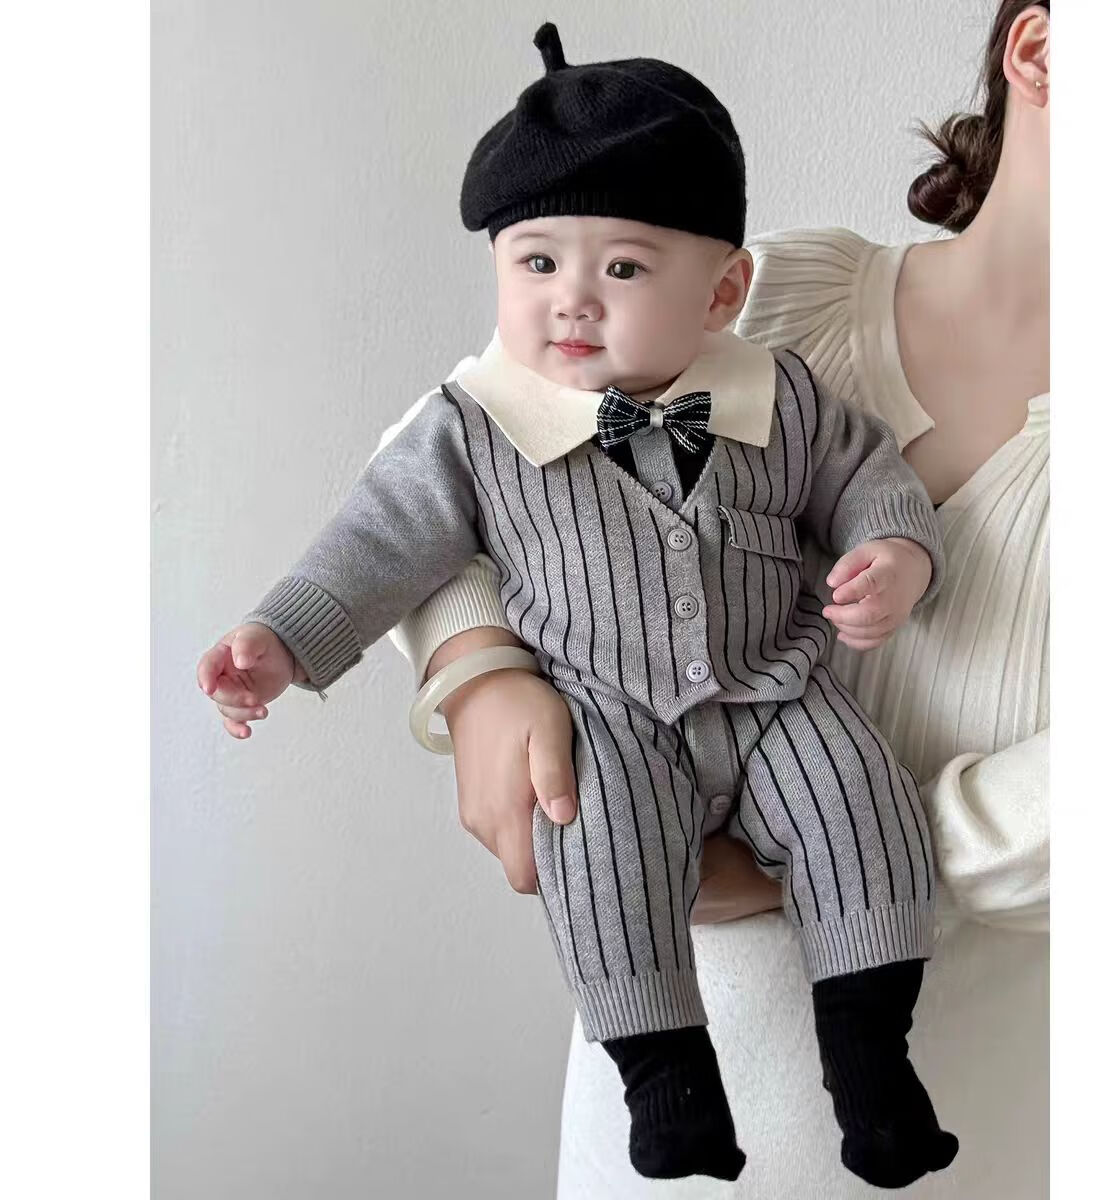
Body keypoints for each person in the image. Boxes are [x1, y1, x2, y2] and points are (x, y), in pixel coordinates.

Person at [195, 22, 959, 1189]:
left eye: (625, 270)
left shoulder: (782, 393)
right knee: (592, 848)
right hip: (604, 716)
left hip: (777, 691)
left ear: (724, 290)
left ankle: (872, 1067)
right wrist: (282, 639)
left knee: (865, 807)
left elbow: (869, 478)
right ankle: (666, 1085)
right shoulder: (472, 424)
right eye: (536, 264)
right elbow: (379, 540)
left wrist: (894, 553)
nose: (572, 302)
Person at [391, 1, 1050, 1195]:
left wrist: (824, 843)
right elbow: (438, 472)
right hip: (646, 1138)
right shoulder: (773, 294)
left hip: (987, 1137)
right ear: (1044, 50)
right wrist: (476, 666)